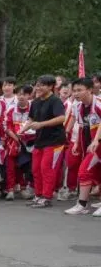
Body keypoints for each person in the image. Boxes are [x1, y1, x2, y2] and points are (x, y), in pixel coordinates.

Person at [21, 75, 67, 208]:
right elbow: (31, 119)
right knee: (35, 169)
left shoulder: (55, 101)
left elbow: (61, 118)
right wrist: (24, 128)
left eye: (42, 85)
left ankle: (47, 197)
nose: (38, 87)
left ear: (51, 86)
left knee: (47, 169)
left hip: (55, 141)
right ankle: (38, 195)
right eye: (37, 84)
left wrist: (41, 124)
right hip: (40, 140)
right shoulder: (35, 102)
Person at [67, 78, 101, 215]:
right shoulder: (77, 106)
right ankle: (83, 205)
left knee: (84, 171)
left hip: (97, 144)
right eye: (74, 90)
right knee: (97, 174)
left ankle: (81, 204)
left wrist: (96, 140)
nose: (76, 93)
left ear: (89, 90)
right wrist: (76, 143)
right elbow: (81, 126)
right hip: (90, 145)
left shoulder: (98, 104)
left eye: (79, 90)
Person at [4, 85, 35, 200]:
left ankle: (24, 188)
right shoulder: (11, 109)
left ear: (29, 95)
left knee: (25, 166)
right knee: (11, 166)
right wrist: (17, 138)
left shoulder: (33, 108)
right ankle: (10, 190)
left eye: (24, 94)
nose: (21, 96)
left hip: (30, 141)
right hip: (13, 142)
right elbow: (6, 126)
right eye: (19, 94)